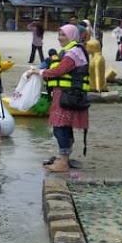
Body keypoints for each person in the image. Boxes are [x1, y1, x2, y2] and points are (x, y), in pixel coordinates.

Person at [33, 24, 90, 173]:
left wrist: (39, 72)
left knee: (60, 127)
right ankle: (64, 158)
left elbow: (59, 70)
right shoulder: (73, 51)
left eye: (63, 35)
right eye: (59, 34)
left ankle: (63, 162)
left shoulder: (73, 53)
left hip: (68, 96)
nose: (60, 38)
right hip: (66, 94)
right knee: (65, 126)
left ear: (72, 36)